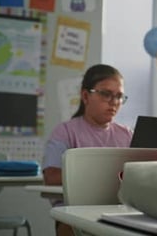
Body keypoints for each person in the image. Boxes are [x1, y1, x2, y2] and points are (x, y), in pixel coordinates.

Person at [42, 64, 132, 236]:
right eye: (106, 94)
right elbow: (51, 177)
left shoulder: (127, 134)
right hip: (74, 212)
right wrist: (105, 176)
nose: (114, 102)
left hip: (119, 210)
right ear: (85, 95)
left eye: (119, 96)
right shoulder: (65, 131)